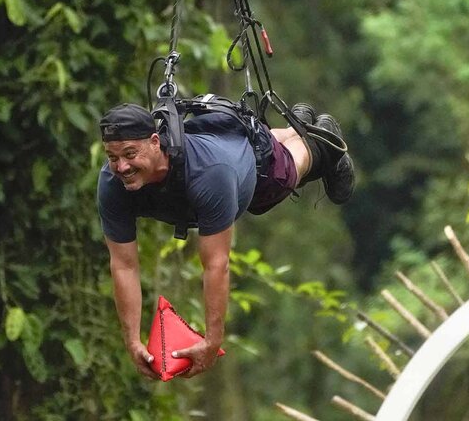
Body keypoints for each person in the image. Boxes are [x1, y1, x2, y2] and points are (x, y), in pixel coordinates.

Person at [97, 101, 353, 379]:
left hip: (252, 169)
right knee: (253, 140)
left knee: (290, 167)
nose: (121, 166)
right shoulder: (113, 184)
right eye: (112, 157)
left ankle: (321, 141)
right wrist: (132, 340)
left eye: (130, 154)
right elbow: (123, 266)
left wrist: (212, 340)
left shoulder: (209, 176)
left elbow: (216, 265)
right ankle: (294, 126)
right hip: (219, 137)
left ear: (155, 142)